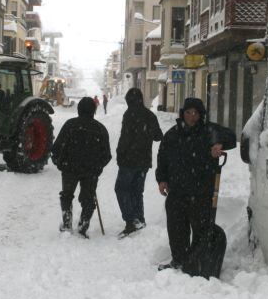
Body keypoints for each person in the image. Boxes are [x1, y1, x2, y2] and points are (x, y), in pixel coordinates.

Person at [155, 98, 236, 271]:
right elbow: (162, 158)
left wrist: (219, 144)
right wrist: (162, 179)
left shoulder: (209, 131)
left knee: (201, 229)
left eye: (196, 113)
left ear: (201, 115)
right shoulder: (172, 134)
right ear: (182, 113)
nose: (192, 117)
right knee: (176, 228)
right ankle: (179, 260)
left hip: (201, 191)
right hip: (177, 190)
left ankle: (197, 262)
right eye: (188, 113)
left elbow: (232, 137)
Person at [51, 96, 111, 237]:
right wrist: (97, 167)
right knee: (88, 198)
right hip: (90, 171)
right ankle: (83, 225)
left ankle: (67, 224)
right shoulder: (100, 129)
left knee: (67, 195)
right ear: (94, 110)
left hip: (69, 168)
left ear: (79, 109)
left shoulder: (70, 125)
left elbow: (56, 147)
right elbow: (107, 155)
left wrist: (59, 163)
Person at [114, 87, 162, 237]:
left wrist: (120, 154)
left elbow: (125, 138)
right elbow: (158, 136)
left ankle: (131, 221)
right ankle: (139, 219)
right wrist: (146, 132)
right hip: (144, 161)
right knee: (136, 190)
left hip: (129, 160)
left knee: (121, 189)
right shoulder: (149, 115)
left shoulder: (129, 115)